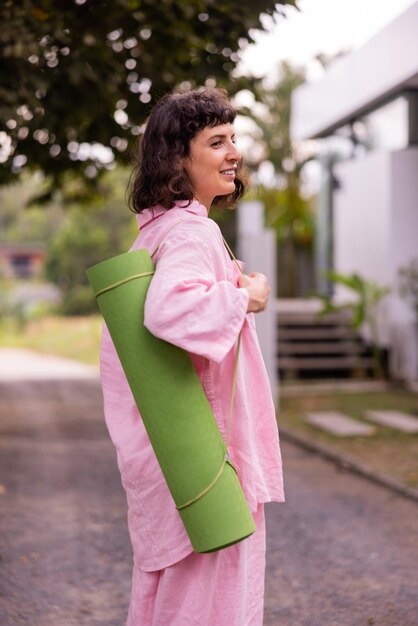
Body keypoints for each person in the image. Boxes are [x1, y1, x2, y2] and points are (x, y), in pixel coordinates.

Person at [100, 87, 285, 626]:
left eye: (234, 138)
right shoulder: (192, 230)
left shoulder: (158, 230)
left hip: (172, 448)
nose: (235, 153)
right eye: (217, 142)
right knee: (209, 599)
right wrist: (245, 296)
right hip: (205, 450)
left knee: (173, 596)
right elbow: (169, 312)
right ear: (178, 159)